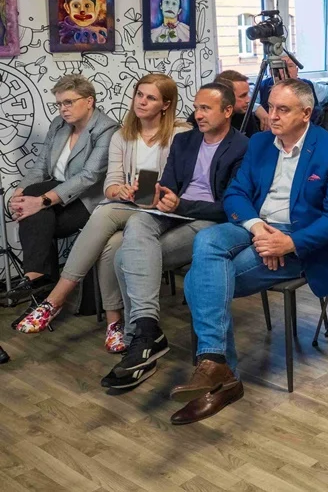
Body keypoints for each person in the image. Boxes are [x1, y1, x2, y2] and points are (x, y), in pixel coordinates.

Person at [168, 79, 328, 424]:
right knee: (206, 240)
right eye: (270, 107)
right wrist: (256, 228)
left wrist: (290, 243)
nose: (272, 115)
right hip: (255, 226)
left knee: (198, 282)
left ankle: (220, 378)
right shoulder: (260, 142)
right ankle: (217, 365)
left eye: (283, 109)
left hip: (300, 239)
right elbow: (236, 194)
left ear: (306, 113)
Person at [12, 75, 188, 344]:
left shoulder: (181, 134)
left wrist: (153, 194)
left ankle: (52, 300)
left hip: (161, 208)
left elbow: (91, 177)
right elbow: (111, 185)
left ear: (166, 104)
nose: (141, 101)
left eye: (150, 97)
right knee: (110, 243)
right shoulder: (123, 135)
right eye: (139, 94)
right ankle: (114, 323)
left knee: (101, 213)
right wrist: (121, 191)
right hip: (129, 204)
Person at [103, 82, 248, 389]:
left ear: (227, 111)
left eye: (206, 108)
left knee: (123, 258)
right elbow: (168, 182)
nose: (198, 115)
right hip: (173, 212)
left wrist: (181, 204)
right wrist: (156, 195)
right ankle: (146, 331)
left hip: (209, 221)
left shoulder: (242, 147)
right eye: (196, 108)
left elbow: (231, 206)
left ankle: (140, 342)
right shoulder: (185, 140)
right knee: (137, 223)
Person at [9, 76, 118, 294]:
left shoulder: (107, 130)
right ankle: (40, 280)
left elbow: (88, 176)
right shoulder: (59, 124)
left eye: (69, 102)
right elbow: (41, 165)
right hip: (56, 198)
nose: (63, 109)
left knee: (36, 214)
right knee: (33, 203)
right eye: (59, 104)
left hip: (87, 200)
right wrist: (19, 194)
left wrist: (40, 201)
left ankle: (40, 284)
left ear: (89, 101)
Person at [254, 54, 324, 126]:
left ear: (297, 70)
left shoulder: (309, 85)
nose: (286, 70)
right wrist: (257, 108)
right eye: (280, 66)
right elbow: (247, 101)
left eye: (290, 66)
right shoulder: (262, 87)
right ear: (271, 71)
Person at [188, 70, 260, 137]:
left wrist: (257, 108)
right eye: (242, 96)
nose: (248, 100)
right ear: (226, 96)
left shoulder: (245, 114)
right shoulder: (199, 120)